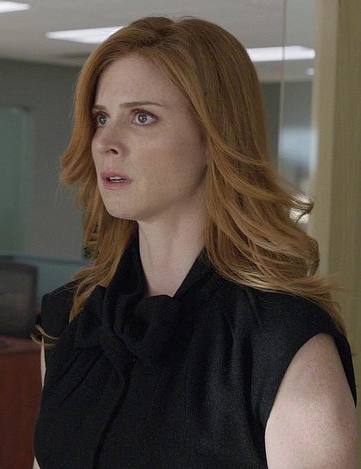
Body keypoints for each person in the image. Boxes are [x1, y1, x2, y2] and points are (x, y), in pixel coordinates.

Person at [33, 16, 356, 468]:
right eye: (102, 118)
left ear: (213, 138)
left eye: (142, 117)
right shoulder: (71, 319)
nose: (105, 141)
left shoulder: (280, 339)